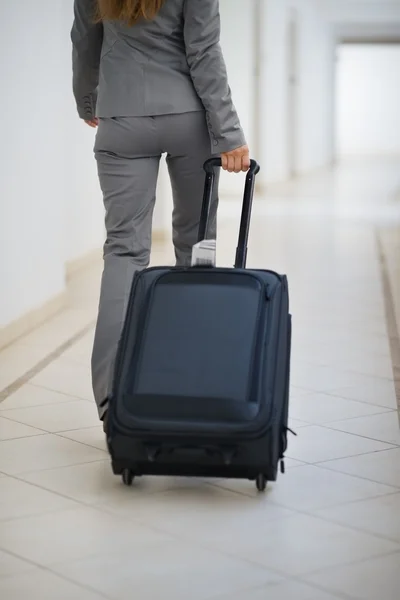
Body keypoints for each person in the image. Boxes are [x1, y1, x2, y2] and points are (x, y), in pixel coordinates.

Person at [71, 0, 250, 427]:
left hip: (121, 117)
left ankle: (114, 402)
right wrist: (229, 134)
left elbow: (84, 40)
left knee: (123, 253)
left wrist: (88, 100)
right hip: (188, 115)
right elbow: (204, 50)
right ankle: (194, 386)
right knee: (196, 248)